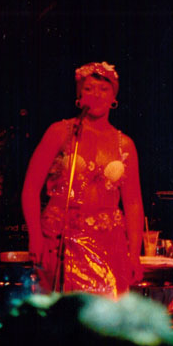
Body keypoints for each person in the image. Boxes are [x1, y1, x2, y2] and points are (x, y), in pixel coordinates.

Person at [22, 62, 144, 296]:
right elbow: (30, 188)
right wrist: (35, 236)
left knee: (105, 315)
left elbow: (133, 203)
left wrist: (134, 255)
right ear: (79, 95)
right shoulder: (60, 132)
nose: (96, 95)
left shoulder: (125, 144)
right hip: (62, 243)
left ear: (114, 97)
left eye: (104, 89)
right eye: (89, 89)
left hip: (109, 246)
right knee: (66, 313)